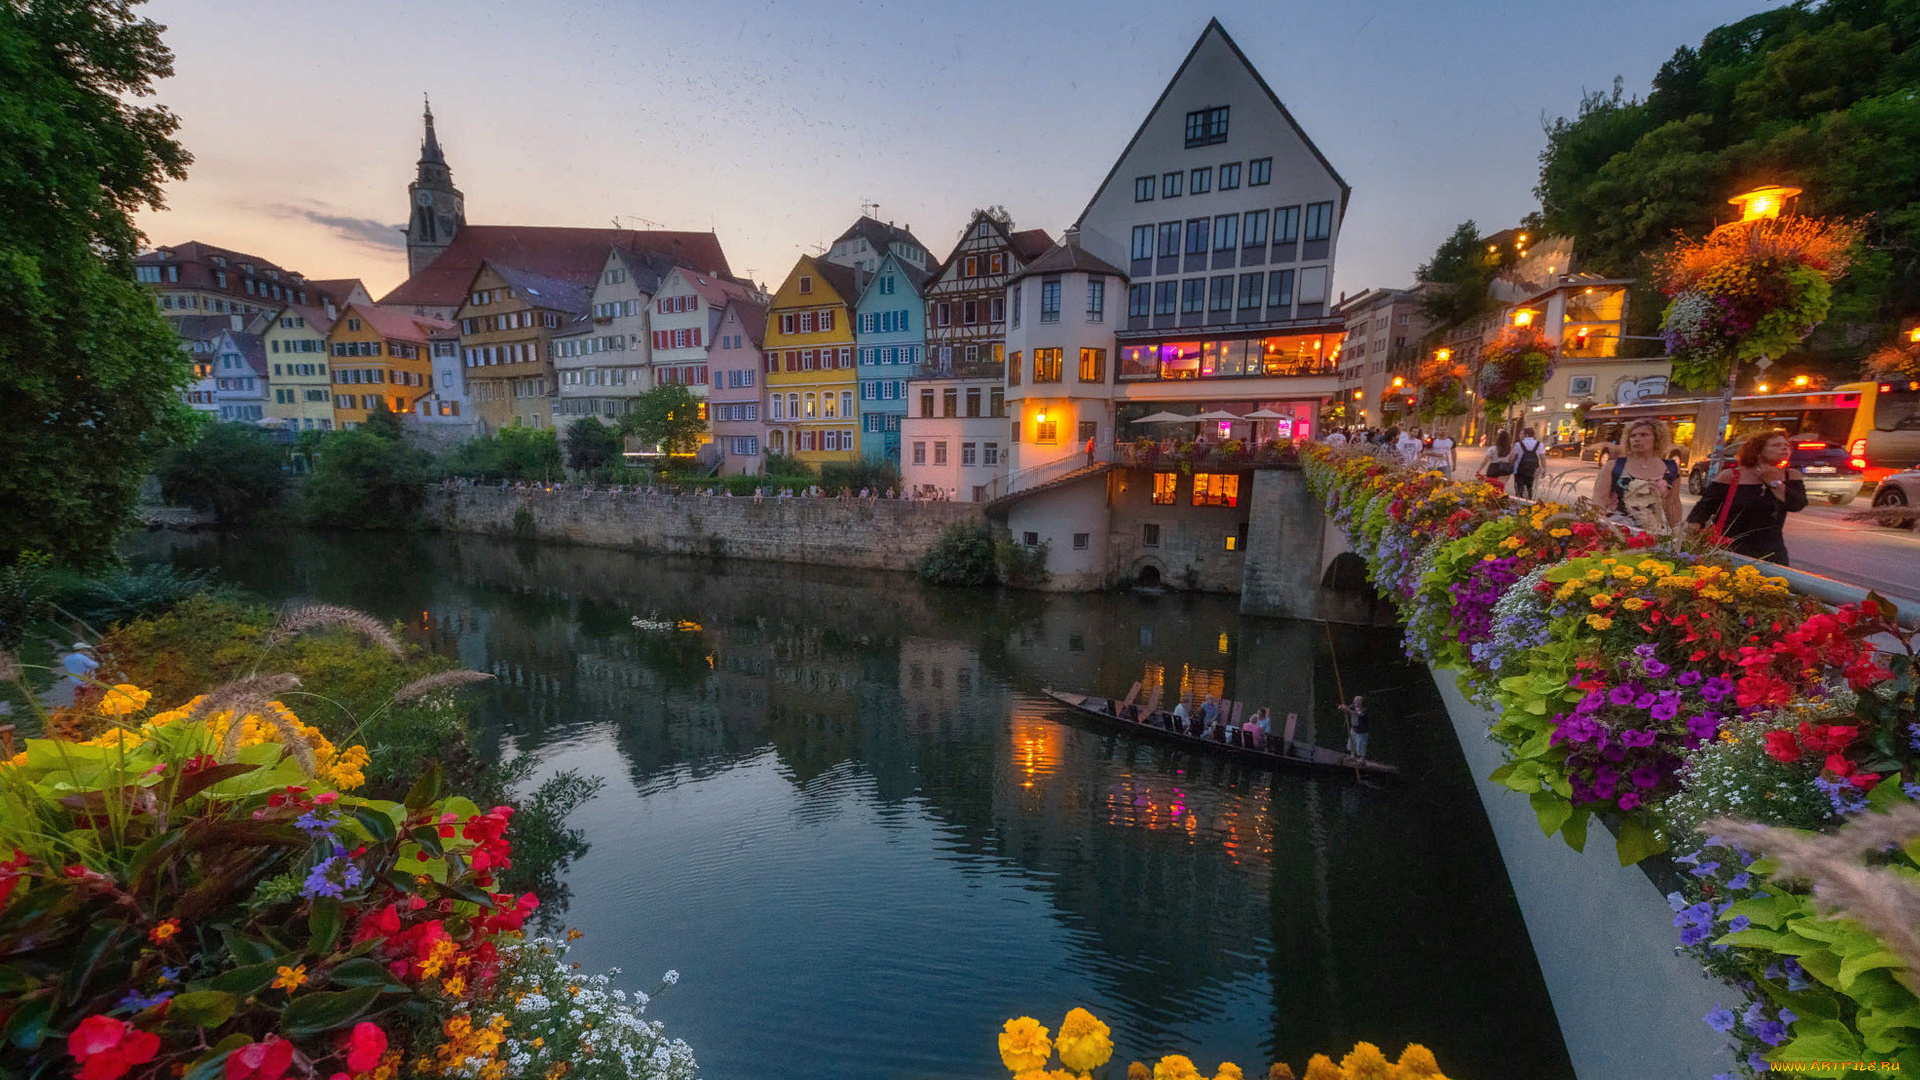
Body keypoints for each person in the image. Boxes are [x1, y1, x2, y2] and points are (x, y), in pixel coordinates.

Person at [1686, 428, 1807, 564]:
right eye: (1776, 445)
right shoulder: (1731, 476)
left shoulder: (1790, 475)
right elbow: (1703, 509)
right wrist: (1691, 537)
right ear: (1759, 451)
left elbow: (1797, 504)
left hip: (1771, 552)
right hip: (1729, 549)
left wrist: (1774, 482)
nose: (1784, 448)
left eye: (1786, 445)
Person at [1591, 418, 1682, 528]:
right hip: (1616, 531)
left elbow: (1673, 504)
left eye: (1644, 435)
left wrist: (1678, 535)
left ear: (1657, 439)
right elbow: (1598, 503)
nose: (1637, 439)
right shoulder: (1613, 466)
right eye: (1633, 436)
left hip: (1652, 534)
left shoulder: (1671, 469)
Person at [1512, 427, 1543, 499]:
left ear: (1526, 435)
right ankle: (1529, 503)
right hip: (1533, 470)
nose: (1519, 435)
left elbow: (1512, 457)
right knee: (1530, 487)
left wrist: (1510, 465)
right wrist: (1544, 468)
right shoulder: (1539, 444)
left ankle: (1519, 503)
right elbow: (1542, 458)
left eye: (1521, 434)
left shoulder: (1518, 444)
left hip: (1520, 470)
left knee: (1519, 489)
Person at [1338, 695, 1369, 761]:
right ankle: (1352, 756)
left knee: (1360, 745)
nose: (1354, 702)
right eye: (1354, 700)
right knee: (1352, 743)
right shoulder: (1352, 706)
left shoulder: (1364, 709)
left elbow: (1356, 714)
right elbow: (1346, 709)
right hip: (1354, 729)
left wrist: (1347, 709)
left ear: (1360, 702)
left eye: (1356, 701)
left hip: (1362, 731)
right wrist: (1342, 707)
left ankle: (1361, 759)